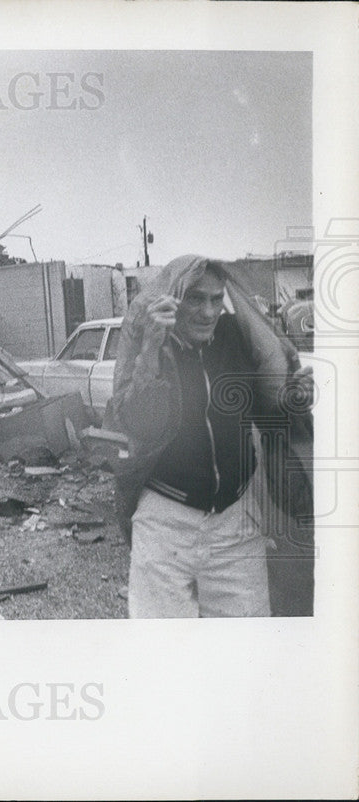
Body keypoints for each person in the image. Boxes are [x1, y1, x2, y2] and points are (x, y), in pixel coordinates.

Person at [106, 255, 314, 618]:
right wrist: (151, 351)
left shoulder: (235, 339)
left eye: (217, 299)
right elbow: (137, 423)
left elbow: (265, 416)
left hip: (235, 524)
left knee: (246, 653)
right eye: (196, 299)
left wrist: (292, 398)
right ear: (173, 298)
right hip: (165, 521)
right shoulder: (155, 344)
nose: (207, 311)